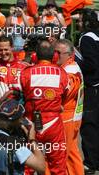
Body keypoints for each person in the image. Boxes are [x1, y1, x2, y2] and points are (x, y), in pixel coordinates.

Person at [20, 40, 68, 175]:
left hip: (31, 123)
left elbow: (22, 93)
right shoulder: (62, 73)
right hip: (54, 123)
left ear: (35, 56)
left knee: (27, 163)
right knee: (57, 164)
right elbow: (64, 96)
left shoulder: (25, 72)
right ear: (54, 57)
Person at [55, 39, 84, 175]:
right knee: (71, 153)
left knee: (61, 155)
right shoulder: (69, 67)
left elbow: (65, 91)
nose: (55, 55)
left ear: (70, 55)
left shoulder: (71, 70)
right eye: (54, 51)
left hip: (67, 117)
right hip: (72, 116)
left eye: (59, 53)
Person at [78, 8, 99, 175]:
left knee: (90, 125)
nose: (78, 23)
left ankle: (91, 164)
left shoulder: (87, 38)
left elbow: (91, 64)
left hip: (94, 89)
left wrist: (77, 61)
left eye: (80, 20)